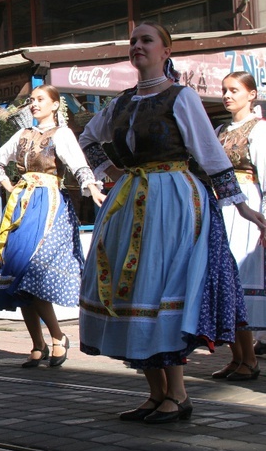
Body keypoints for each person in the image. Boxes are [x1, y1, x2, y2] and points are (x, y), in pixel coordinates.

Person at [78, 22, 266, 424]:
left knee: (161, 286)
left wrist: (240, 205)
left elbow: (211, 153)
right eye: (133, 41)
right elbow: (87, 139)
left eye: (146, 40)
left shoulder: (181, 97)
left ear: (166, 51)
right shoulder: (121, 102)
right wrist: (112, 173)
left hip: (173, 200)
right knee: (131, 291)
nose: (137, 46)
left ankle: (178, 394)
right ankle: (155, 392)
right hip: (131, 198)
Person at [0, 85, 104, 368]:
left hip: (48, 206)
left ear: (55, 105)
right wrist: (9, 185)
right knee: (17, 274)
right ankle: (38, 343)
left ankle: (57, 337)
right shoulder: (22, 134)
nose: (34, 104)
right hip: (22, 205)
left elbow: (78, 164)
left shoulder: (61, 133)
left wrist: (92, 188)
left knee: (30, 271)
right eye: (31, 100)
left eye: (40, 100)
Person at [210, 71, 266, 381]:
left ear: (251, 95)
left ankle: (249, 360)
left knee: (239, 281)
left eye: (234, 90)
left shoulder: (258, 130)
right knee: (223, 282)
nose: (227, 95)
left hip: (247, 208)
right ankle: (237, 357)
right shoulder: (220, 129)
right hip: (223, 208)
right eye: (224, 90)